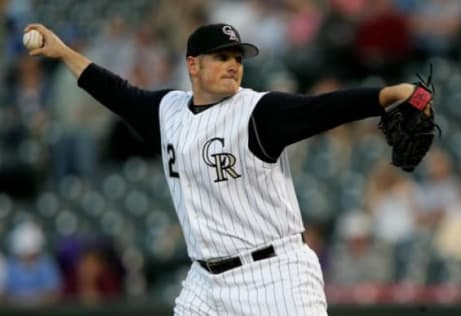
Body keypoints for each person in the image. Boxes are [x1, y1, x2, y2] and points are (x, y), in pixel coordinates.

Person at [24, 22, 430, 315]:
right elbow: (115, 92)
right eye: (221, 57)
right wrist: (63, 53)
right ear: (193, 65)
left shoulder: (257, 111)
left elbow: (321, 109)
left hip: (275, 276)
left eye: (237, 57)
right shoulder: (167, 111)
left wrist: (389, 93)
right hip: (206, 282)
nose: (233, 64)